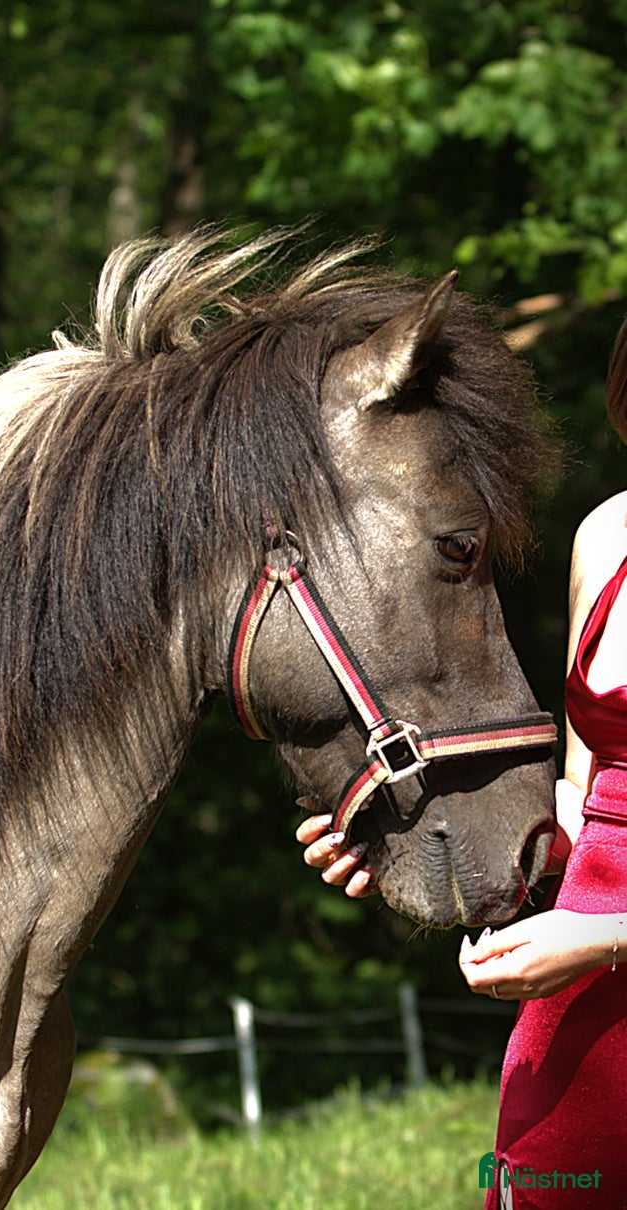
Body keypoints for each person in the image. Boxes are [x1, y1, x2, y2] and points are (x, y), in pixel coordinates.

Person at [297, 320, 627, 1208]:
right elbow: (588, 800)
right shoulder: (607, 538)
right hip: (580, 1025)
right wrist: (401, 820)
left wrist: (606, 938)